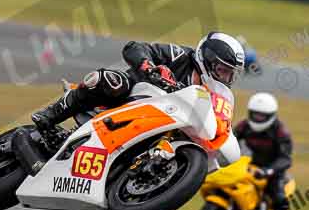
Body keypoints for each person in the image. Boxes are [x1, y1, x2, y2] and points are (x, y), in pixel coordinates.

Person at [32, 31, 245, 143]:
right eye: (223, 69)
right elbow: (136, 48)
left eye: (230, 73)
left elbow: (217, 120)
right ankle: (50, 114)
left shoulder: (214, 94)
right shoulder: (181, 56)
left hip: (161, 122)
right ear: (207, 59)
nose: (226, 77)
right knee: (112, 82)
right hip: (131, 96)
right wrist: (149, 66)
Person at [234, 92, 293, 210]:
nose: (257, 118)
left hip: (271, 171)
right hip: (248, 167)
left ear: (271, 115)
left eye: (262, 116)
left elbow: (285, 159)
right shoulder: (243, 126)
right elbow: (230, 142)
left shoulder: (280, 132)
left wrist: (268, 171)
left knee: (279, 197)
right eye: (255, 114)